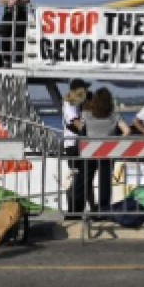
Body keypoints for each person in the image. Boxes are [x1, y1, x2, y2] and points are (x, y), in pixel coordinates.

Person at [79, 87, 131, 212]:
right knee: (105, 183)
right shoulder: (114, 116)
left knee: (84, 181)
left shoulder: (86, 115)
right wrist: (116, 142)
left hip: (89, 152)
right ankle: (103, 209)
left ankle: (78, 209)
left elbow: (82, 132)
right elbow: (127, 131)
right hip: (107, 152)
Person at [62, 79, 90, 214]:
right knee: (78, 177)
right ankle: (73, 209)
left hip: (78, 144)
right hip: (73, 145)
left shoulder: (77, 104)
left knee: (81, 177)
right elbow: (77, 123)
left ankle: (78, 208)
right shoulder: (70, 104)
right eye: (85, 89)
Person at [0, 0, 31, 65]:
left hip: (21, 14)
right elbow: (0, 0)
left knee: (20, 36)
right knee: (5, 36)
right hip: (8, 14)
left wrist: (18, 0)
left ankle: (19, 59)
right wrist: (9, 1)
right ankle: (6, 59)